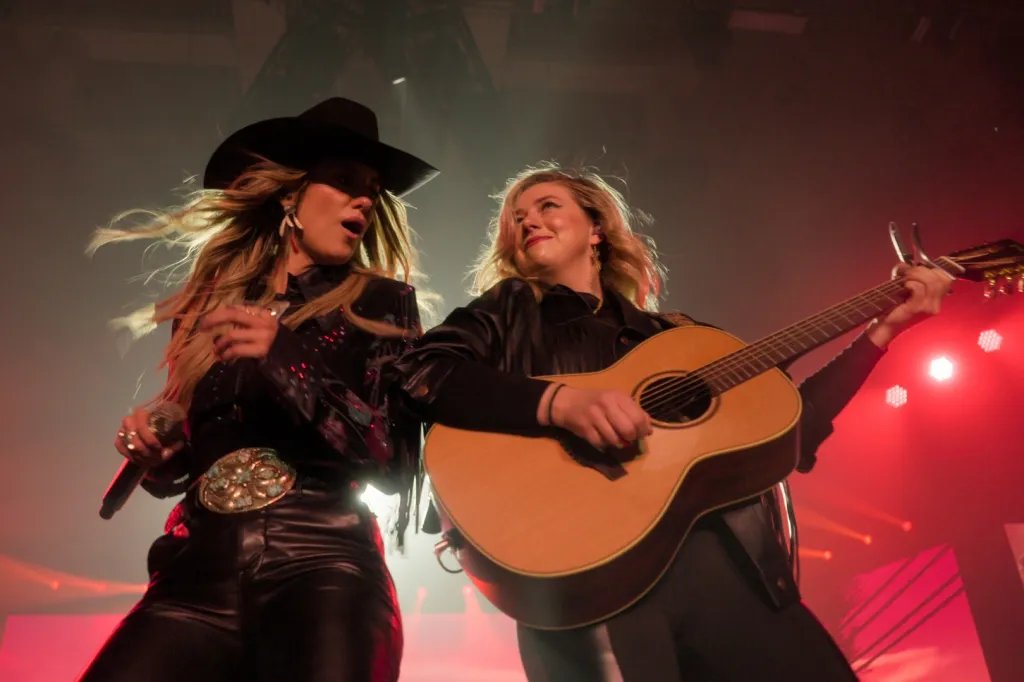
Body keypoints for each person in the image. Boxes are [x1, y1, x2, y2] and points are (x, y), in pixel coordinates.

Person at [395, 164, 952, 681]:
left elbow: (794, 427)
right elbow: (422, 372)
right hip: (593, 581)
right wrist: (558, 404)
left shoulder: (675, 340)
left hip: (731, 571)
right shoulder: (507, 312)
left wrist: (882, 330)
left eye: (547, 206)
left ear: (596, 229)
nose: (528, 221)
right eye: (515, 218)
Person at [81, 98, 437, 682]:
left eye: (373, 191)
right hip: (197, 570)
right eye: (345, 182)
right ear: (289, 195)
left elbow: (392, 459)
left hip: (322, 561)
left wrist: (284, 355)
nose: (364, 201)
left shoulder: (381, 303)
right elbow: (195, 452)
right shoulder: (208, 306)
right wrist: (159, 447)